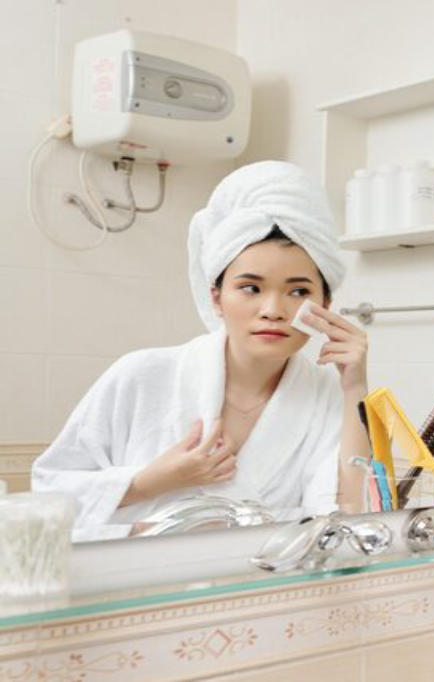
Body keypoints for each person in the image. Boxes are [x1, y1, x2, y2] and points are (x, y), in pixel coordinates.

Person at [33, 161, 369, 539]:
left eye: (298, 292)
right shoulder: (142, 375)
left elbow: (348, 519)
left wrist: (355, 390)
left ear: (324, 303)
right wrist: (149, 482)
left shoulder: (326, 395)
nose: (273, 310)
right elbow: (47, 495)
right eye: (250, 288)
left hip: (264, 591)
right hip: (135, 585)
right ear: (216, 297)